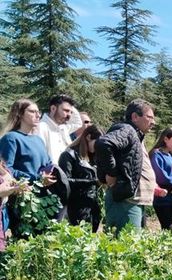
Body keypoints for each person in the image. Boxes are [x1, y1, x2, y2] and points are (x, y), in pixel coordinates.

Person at [96, 99, 162, 234]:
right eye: (149, 117)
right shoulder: (127, 129)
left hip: (133, 201)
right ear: (135, 117)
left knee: (131, 247)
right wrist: (111, 174)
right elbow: (103, 144)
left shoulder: (136, 135)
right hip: (125, 201)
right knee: (123, 248)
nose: (153, 122)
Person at [0, 99, 57, 238]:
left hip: (43, 198)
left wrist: (51, 174)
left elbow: (47, 163)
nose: (37, 115)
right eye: (32, 111)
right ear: (19, 114)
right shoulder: (11, 138)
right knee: (25, 240)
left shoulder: (38, 139)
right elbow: (6, 170)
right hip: (22, 200)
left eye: (38, 112)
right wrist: (36, 178)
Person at [58, 125, 104, 232]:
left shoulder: (94, 157)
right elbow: (65, 181)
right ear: (88, 137)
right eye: (97, 142)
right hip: (75, 206)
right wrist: (93, 182)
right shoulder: (68, 155)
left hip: (92, 206)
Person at [35, 94, 76, 163]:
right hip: (51, 172)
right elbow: (39, 156)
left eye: (71, 112)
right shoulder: (41, 127)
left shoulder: (63, 128)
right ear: (53, 108)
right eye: (66, 110)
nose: (69, 115)